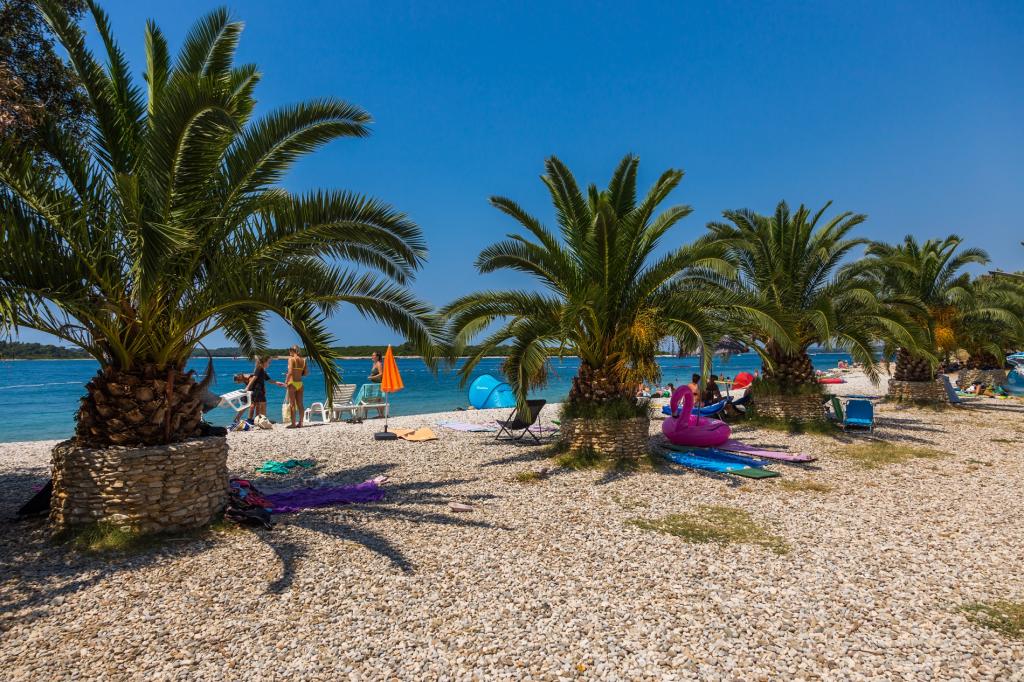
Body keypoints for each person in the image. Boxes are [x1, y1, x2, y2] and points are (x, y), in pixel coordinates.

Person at [246, 356, 285, 421]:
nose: (269, 364)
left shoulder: (262, 370)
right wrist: (247, 387)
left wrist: (277, 382)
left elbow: (269, 380)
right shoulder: (259, 368)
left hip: (260, 390)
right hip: (257, 390)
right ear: (264, 362)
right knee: (258, 404)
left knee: (257, 405)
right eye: (268, 362)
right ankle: (256, 419)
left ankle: (256, 419)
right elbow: (254, 378)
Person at [285, 345, 309, 428]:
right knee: (300, 404)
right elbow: (306, 373)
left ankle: (293, 424)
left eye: (289, 351)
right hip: (300, 384)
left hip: (292, 383)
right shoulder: (303, 360)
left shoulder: (291, 359)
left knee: (292, 404)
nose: (289, 352)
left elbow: (290, 371)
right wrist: (298, 373)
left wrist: (286, 381)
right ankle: (301, 423)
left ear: (292, 351)